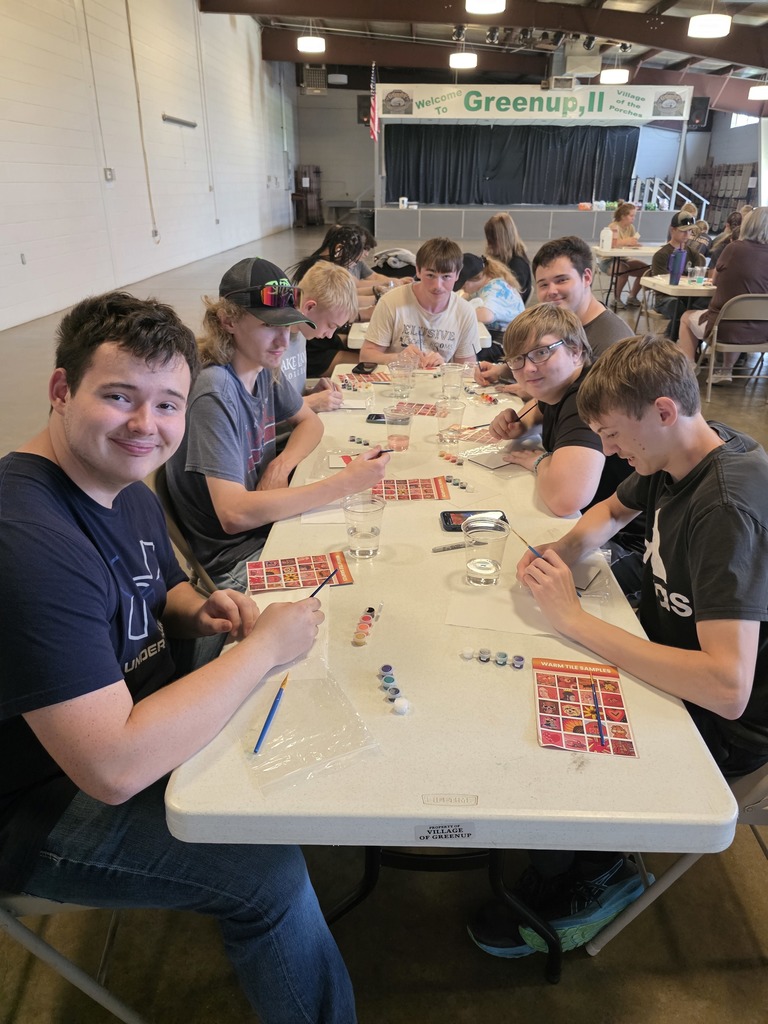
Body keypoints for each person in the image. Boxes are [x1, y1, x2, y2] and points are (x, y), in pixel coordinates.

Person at [0, 291, 357, 1023]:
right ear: (61, 390)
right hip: (40, 805)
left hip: (135, 711)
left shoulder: (116, 481)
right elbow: (112, 767)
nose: (146, 425)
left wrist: (203, 610)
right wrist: (258, 650)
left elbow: (160, 588)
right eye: (119, 396)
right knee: (269, 876)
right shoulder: (26, 539)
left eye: (167, 404)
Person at [470, 334, 768, 960]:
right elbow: (607, 512)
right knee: (526, 682)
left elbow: (727, 688)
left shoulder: (726, 507)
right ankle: (570, 856)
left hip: (733, 726)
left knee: (555, 737)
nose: (605, 450)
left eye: (611, 435)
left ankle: (600, 873)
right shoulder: (675, 453)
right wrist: (559, 555)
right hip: (670, 642)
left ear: (664, 410)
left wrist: (575, 619)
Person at [166, 257, 390, 591]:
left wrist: (281, 465)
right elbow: (234, 514)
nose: (283, 341)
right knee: (363, 583)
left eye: (287, 326)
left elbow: (310, 423)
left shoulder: (263, 369)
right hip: (238, 558)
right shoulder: (214, 392)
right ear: (228, 320)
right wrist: (345, 483)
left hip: (266, 526)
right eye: (269, 326)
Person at [484, 305, 644, 583]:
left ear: (576, 350)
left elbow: (566, 498)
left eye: (542, 352)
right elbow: (539, 408)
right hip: (599, 524)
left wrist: (539, 461)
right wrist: (519, 424)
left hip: (629, 543)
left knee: (509, 569)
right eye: (517, 359)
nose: (528, 368)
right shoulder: (558, 387)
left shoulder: (585, 397)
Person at [474, 235, 631, 390]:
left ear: (587, 277)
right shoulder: (557, 324)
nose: (552, 291)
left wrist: (532, 396)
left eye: (562, 280)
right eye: (543, 284)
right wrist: (501, 370)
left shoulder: (613, 345)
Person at [677, 206, 768, 383]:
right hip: (762, 332)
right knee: (740, 315)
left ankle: (689, 367)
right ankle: (725, 370)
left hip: (724, 328)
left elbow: (715, 280)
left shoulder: (733, 248)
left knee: (687, 317)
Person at [359, 237, 478, 368]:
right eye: (430, 275)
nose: (437, 285)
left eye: (446, 277)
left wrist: (444, 366)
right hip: (398, 383)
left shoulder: (465, 311)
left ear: (457, 275)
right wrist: (398, 358)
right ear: (418, 271)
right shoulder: (391, 302)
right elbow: (366, 357)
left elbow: (468, 368)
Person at [281, 260, 360, 409]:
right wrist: (311, 403)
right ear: (309, 307)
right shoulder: (274, 343)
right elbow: (261, 415)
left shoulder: (301, 334)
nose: (330, 336)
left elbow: (291, 399)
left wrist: (312, 394)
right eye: (331, 326)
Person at [456, 252, 525, 361]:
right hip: (500, 337)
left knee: (465, 352)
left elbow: (486, 316)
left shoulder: (494, 288)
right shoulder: (484, 284)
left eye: (463, 286)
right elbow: (464, 296)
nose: (463, 289)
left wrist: (458, 314)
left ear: (474, 279)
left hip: (509, 343)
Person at [650, 211, 707, 336]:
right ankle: (669, 342)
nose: (687, 234)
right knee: (678, 308)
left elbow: (699, 278)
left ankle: (691, 345)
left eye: (690, 231)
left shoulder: (693, 254)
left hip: (688, 297)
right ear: (673, 230)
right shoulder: (661, 255)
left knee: (707, 304)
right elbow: (663, 285)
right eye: (683, 231)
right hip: (665, 299)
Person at [598, 202, 647, 309]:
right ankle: (616, 299)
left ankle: (632, 296)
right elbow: (613, 244)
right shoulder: (613, 226)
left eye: (634, 216)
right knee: (623, 270)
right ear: (623, 216)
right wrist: (627, 242)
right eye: (631, 215)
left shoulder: (631, 228)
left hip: (624, 259)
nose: (633, 218)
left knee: (645, 269)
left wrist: (634, 244)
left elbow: (628, 244)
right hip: (608, 261)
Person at [483, 212, 532, 303]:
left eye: (492, 241)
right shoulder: (500, 257)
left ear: (503, 240)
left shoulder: (518, 265)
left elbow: (507, 297)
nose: (489, 245)